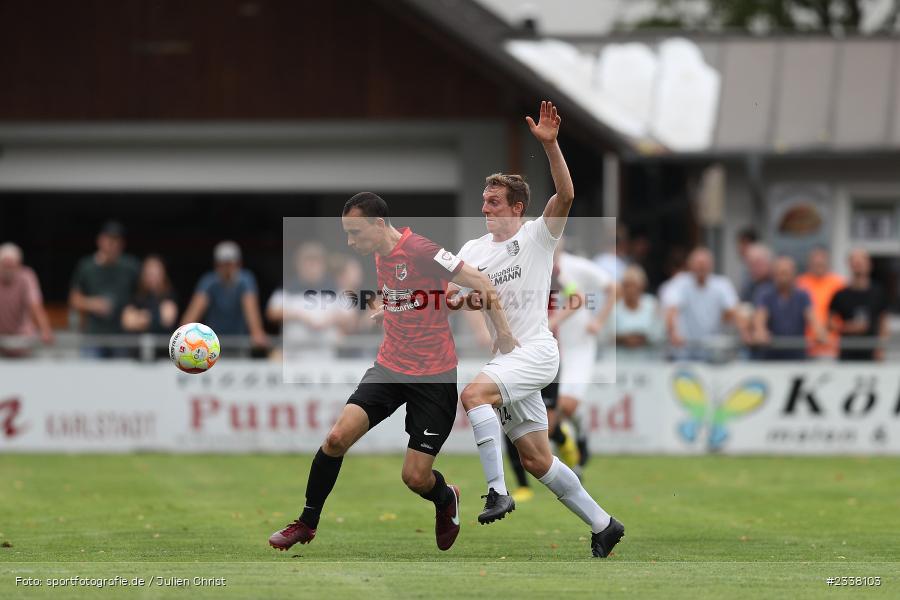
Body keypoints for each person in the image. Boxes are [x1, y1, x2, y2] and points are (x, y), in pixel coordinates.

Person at [268, 192, 517, 553]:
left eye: (355, 233)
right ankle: (306, 523)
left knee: (415, 478)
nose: (351, 243)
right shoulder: (381, 254)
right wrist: (394, 306)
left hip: (434, 376)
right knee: (336, 439)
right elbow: (427, 294)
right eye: (347, 235)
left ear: (379, 224)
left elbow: (481, 282)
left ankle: (446, 497)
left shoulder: (420, 249)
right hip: (389, 366)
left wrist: (504, 334)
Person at [454, 101, 624, 558]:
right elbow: (465, 294)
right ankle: (604, 524)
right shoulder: (474, 247)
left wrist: (550, 146)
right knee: (536, 458)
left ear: (517, 207)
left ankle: (496, 491)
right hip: (506, 357)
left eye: (493, 201)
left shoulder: (537, 236)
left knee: (472, 396)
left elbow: (565, 195)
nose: (484, 206)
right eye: (484, 199)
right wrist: (454, 299)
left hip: (535, 352)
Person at [551, 242, 616, 476]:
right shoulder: (534, 265)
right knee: (552, 409)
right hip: (550, 347)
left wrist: (599, 320)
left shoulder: (575, 267)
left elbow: (611, 287)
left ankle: (579, 437)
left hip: (579, 347)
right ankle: (572, 456)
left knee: (566, 405)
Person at [69, 221, 140, 357]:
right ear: (100, 240)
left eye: (117, 240)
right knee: (91, 375)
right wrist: (93, 304)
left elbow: (143, 295)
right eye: (109, 239)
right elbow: (74, 299)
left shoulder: (131, 267)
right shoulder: (87, 266)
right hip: (94, 336)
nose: (113, 244)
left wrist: (134, 310)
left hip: (122, 337)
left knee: (122, 375)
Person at [181, 241, 269, 352]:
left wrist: (257, 332)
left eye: (230, 264)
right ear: (216, 265)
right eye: (223, 264)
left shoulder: (246, 280)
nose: (227, 269)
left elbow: (250, 307)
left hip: (239, 344)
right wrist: (184, 336)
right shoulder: (209, 281)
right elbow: (193, 313)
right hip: (212, 346)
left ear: (238, 264)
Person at [266, 242, 343, 361]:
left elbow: (351, 318)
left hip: (327, 357)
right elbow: (271, 312)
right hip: (292, 357)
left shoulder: (335, 288)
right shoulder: (287, 287)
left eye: (316, 262)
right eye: (308, 262)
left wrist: (330, 319)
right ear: (299, 264)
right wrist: (299, 315)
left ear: (323, 265)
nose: (312, 267)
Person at [664, 247, 739, 362]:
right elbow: (671, 310)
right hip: (685, 351)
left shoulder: (722, 285)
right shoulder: (679, 283)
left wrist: (728, 321)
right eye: (698, 264)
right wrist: (673, 332)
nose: (701, 267)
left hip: (713, 352)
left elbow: (732, 310)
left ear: (711, 265)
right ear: (690, 265)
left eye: (704, 264)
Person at [751, 256, 824, 360]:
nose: (782, 277)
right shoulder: (765, 294)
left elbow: (812, 317)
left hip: (797, 355)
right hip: (771, 356)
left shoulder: (803, 295)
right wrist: (760, 332)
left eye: (786, 273)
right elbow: (760, 316)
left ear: (794, 274)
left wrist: (819, 332)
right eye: (779, 273)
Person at [829, 249, 889, 361]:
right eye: (855, 262)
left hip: (871, 352)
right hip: (847, 352)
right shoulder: (840, 294)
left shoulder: (878, 292)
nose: (858, 266)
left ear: (869, 265)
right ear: (849, 265)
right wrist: (848, 327)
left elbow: (883, 323)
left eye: (861, 262)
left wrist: (881, 347)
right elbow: (831, 324)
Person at [0, 242, 54, 356]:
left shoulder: (27, 276)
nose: (8, 269)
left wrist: (45, 330)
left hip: (22, 339)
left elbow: (35, 304)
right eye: (5, 265)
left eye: (11, 265)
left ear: (19, 264)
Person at [796, 246, 844, 358]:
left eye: (821, 262)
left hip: (832, 346)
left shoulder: (838, 284)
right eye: (815, 262)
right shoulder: (800, 284)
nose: (818, 265)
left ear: (827, 262)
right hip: (805, 346)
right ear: (809, 263)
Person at [121, 255, 179, 342]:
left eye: (156, 273)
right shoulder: (136, 297)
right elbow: (127, 322)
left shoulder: (169, 296)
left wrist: (141, 317)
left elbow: (167, 320)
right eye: (149, 273)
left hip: (162, 349)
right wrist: (155, 317)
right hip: (137, 349)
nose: (152, 277)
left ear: (163, 274)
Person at [615, 265, 664, 361]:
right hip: (620, 359)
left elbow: (659, 333)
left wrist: (644, 339)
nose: (630, 290)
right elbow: (607, 335)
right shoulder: (615, 308)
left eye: (634, 285)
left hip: (649, 359)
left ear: (642, 286)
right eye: (627, 285)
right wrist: (623, 339)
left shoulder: (652, 304)